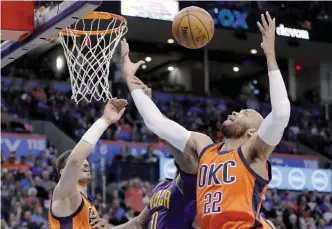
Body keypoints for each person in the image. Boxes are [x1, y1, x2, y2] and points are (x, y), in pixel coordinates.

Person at [122, 12, 288, 229]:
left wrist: (269, 54)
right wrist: (130, 81)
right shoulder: (204, 148)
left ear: (252, 133)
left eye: (245, 114)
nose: (236, 112)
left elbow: (280, 114)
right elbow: (157, 124)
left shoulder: (253, 153)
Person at [111, 82, 199, 229]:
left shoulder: (190, 183)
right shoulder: (163, 184)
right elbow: (138, 223)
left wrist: (149, 107)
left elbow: (172, 135)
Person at [48, 98, 128, 229]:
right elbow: (75, 160)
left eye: (87, 162)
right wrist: (105, 120)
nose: (86, 165)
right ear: (63, 172)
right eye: (82, 163)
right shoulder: (64, 194)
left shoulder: (88, 206)